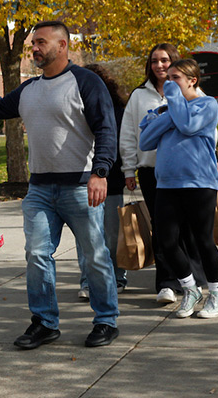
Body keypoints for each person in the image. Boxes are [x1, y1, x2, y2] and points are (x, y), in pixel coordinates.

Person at [0, 20, 120, 350]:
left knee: (94, 257)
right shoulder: (29, 90)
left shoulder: (86, 83)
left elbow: (107, 129)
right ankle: (44, 323)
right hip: (39, 191)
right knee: (37, 255)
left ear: (62, 46)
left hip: (80, 187)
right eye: (32, 44)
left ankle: (106, 320)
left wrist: (101, 172)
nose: (34, 48)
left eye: (40, 42)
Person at [118, 43, 207, 305]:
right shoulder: (139, 96)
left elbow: (204, 131)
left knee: (190, 227)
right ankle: (167, 283)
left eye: (165, 60)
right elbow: (129, 134)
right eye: (155, 61)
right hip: (152, 173)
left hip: (187, 172)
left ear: (175, 63)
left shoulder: (192, 92)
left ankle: (195, 279)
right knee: (163, 229)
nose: (159, 65)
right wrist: (128, 168)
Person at [139, 58, 218, 319]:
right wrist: (171, 114)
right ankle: (190, 289)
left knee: (203, 241)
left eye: (176, 78)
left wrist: (171, 109)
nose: (169, 82)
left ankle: (217, 296)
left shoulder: (207, 104)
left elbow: (188, 125)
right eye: (168, 79)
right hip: (166, 184)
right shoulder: (168, 110)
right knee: (166, 242)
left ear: (192, 80)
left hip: (199, 183)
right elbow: (145, 141)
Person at [78, 64, 128, 300]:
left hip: (113, 179)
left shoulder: (117, 109)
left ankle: (117, 276)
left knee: (112, 233)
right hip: (80, 180)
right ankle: (88, 281)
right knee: (85, 235)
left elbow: (123, 142)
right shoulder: (74, 107)